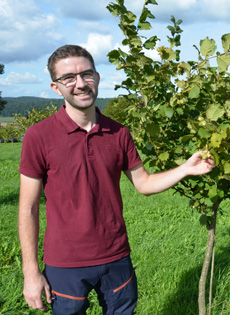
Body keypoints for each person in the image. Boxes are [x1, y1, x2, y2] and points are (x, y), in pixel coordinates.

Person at [18, 44, 215, 314]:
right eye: (69, 78)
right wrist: (30, 272)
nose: (80, 84)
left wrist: (186, 168)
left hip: (116, 256)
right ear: (56, 87)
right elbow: (28, 208)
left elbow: (143, 184)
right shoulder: (38, 136)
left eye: (87, 74)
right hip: (65, 262)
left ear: (97, 78)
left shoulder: (119, 132)